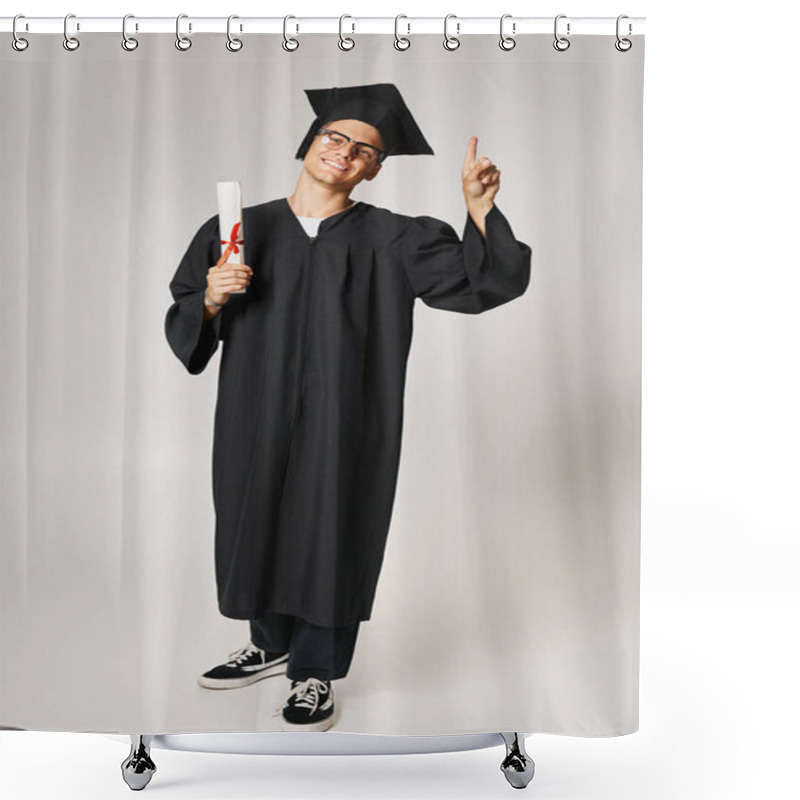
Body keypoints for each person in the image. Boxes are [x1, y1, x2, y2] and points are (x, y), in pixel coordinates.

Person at [165, 83, 532, 732]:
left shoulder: (396, 239)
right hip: (254, 412)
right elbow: (186, 318)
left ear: (375, 169)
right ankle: (270, 643)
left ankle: (314, 673)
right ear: (309, 143)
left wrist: (478, 210)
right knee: (255, 516)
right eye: (335, 138)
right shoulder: (236, 231)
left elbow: (484, 284)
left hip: (348, 417)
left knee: (333, 531)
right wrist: (213, 299)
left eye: (365, 149)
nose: (346, 152)